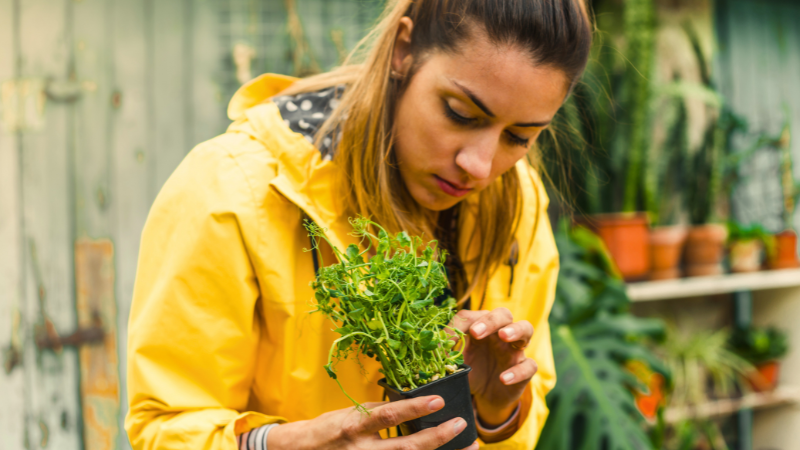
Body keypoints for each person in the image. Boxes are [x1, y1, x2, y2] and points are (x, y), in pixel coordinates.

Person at [124, 0, 592, 449]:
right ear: (403, 50)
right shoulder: (232, 188)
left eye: (519, 137)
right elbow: (164, 427)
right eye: (461, 114)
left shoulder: (516, 197)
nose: (480, 166)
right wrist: (284, 445)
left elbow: (523, 411)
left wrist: (496, 411)